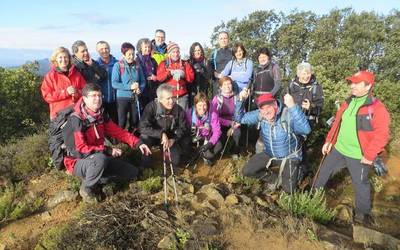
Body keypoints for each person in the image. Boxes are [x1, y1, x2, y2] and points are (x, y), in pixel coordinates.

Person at [313, 71, 390, 224]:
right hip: (338, 149)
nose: (352, 85)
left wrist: (369, 155)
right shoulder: (348, 102)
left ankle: (362, 216)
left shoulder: (377, 108)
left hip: (358, 155)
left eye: (356, 83)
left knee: (360, 184)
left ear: (368, 86)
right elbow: (337, 123)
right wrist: (329, 141)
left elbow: (382, 135)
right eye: (351, 82)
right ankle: (311, 201)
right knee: (322, 174)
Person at [62, 83, 151, 202]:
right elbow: (80, 150)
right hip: (77, 161)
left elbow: (119, 132)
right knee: (100, 160)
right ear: (84, 98)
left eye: (99, 95)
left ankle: (100, 179)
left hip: (97, 157)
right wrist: (107, 150)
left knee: (132, 172)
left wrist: (138, 143)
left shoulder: (100, 116)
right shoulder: (77, 119)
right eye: (93, 96)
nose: (97, 99)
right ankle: (87, 188)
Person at [234, 91, 311, 193]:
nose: (266, 111)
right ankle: (274, 179)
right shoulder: (260, 115)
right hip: (270, 154)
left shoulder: (287, 114)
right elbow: (240, 118)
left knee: (289, 190)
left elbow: (306, 130)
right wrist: (240, 100)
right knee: (247, 171)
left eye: (268, 107)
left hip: (290, 157)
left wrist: (292, 106)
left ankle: (300, 171)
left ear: (275, 105)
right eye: (262, 108)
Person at [41, 47, 87, 169]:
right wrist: (64, 92)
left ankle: (77, 164)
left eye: (65, 57)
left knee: (76, 139)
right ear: (55, 60)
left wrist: (76, 92)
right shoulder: (50, 76)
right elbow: (47, 96)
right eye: (60, 57)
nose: (63, 60)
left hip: (75, 113)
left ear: (69, 58)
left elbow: (85, 91)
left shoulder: (76, 74)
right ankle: (62, 165)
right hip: (58, 115)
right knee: (60, 141)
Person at [139, 84, 191, 167]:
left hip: (169, 138)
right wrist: (161, 134)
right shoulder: (151, 107)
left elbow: (183, 127)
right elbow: (142, 127)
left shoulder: (178, 110)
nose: (172, 101)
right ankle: (145, 165)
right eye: (168, 98)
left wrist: (174, 139)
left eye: (173, 97)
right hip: (153, 136)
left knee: (175, 161)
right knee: (144, 137)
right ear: (160, 99)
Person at [112, 42, 146, 132]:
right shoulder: (118, 65)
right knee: (122, 121)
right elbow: (114, 83)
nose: (131, 56)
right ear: (123, 54)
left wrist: (140, 89)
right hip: (122, 98)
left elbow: (142, 81)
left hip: (135, 97)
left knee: (134, 120)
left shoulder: (137, 65)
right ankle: (119, 140)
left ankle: (132, 139)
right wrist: (130, 87)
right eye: (129, 54)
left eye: (133, 54)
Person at [186, 92, 222, 165]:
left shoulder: (212, 114)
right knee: (185, 143)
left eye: (204, 105)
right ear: (195, 105)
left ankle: (206, 155)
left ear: (207, 105)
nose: (202, 108)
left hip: (207, 139)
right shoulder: (189, 114)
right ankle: (193, 154)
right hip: (194, 138)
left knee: (219, 146)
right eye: (199, 105)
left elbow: (217, 131)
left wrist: (209, 144)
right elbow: (184, 128)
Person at [156, 42, 195, 110]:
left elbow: (191, 78)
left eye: (177, 52)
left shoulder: (185, 63)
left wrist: (184, 75)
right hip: (169, 97)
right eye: (173, 52)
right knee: (170, 117)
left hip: (182, 96)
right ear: (169, 53)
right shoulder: (164, 64)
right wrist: (169, 73)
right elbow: (159, 77)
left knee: (183, 116)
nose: (176, 54)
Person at [210, 76, 241, 160]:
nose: (227, 86)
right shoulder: (217, 99)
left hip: (234, 123)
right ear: (220, 87)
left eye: (229, 84)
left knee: (237, 133)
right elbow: (214, 117)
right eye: (225, 84)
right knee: (220, 138)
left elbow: (241, 114)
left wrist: (233, 126)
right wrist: (229, 123)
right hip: (220, 124)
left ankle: (235, 151)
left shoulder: (237, 97)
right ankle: (219, 151)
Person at [289, 62, 323, 128]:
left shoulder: (316, 87)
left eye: (308, 73)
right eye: (303, 74)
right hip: (291, 121)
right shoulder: (291, 85)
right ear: (298, 74)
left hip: (308, 122)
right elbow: (283, 103)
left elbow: (320, 108)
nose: (306, 76)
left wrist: (311, 107)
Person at [96, 40, 118, 124]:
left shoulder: (117, 63)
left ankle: (116, 137)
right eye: (101, 49)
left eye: (106, 48)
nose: (104, 51)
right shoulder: (95, 65)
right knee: (102, 123)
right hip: (101, 100)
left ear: (110, 49)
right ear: (98, 51)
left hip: (115, 100)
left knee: (116, 122)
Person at [136, 38, 158, 106]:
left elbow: (158, 73)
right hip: (141, 90)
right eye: (145, 47)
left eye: (149, 47)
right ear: (140, 48)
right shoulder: (136, 61)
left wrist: (156, 77)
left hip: (152, 90)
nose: (148, 49)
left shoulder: (153, 60)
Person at [209, 31, 232, 96]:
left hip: (230, 84)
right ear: (218, 41)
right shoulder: (214, 53)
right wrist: (214, 73)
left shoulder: (233, 52)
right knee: (218, 104)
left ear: (228, 39)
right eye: (221, 39)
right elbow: (209, 67)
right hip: (218, 83)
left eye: (225, 38)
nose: (223, 40)